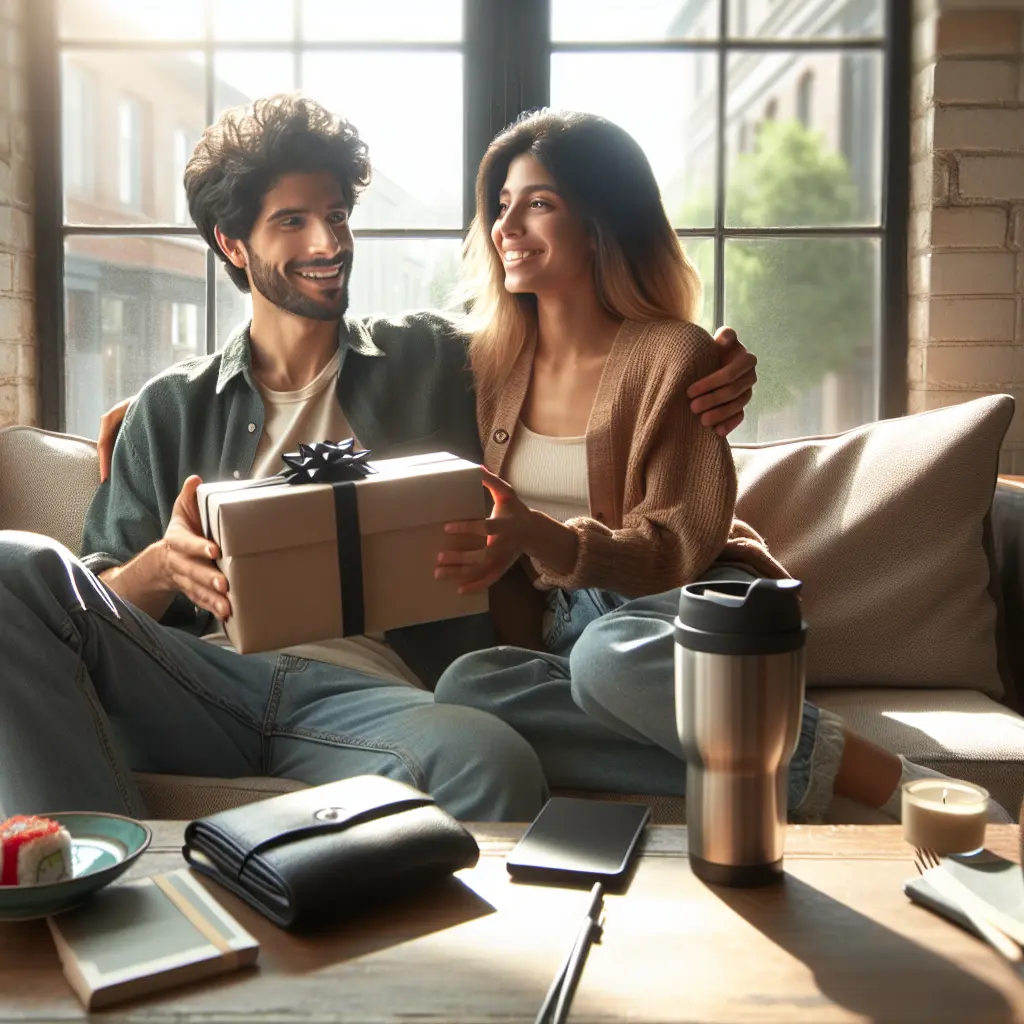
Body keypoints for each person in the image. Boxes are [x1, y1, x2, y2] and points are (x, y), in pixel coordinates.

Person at [0, 96, 756, 823]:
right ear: (233, 245)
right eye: (292, 222)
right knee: (12, 568)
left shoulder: (439, 357)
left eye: (335, 216)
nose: (327, 245)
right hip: (199, 680)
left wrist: (707, 363)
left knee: (491, 760)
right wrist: (161, 568)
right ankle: (78, 879)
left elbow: (578, 332)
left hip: (368, 700)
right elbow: (83, 610)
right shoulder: (171, 407)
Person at [430, 108, 1012, 824]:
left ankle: (889, 781)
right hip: (573, 628)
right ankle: (773, 768)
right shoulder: (485, 364)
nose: (507, 226)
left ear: (602, 222)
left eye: (540, 204)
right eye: (502, 205)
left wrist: (542, 540)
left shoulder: (677, 354)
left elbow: (675, 546)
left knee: (611, 659)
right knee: (470, 688)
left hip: (695, 600)